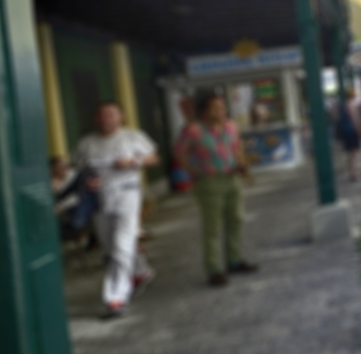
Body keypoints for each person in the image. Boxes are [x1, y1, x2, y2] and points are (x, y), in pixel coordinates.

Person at [72, 101, 159, 319]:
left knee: (121, 245)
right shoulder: (86, 143)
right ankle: (140, 271)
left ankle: (115, 298)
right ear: (96, 119)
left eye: (111, 114)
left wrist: (133, 161)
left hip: (127, 193)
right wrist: (86, 181)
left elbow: (153, 157)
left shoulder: (132, 136)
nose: (106, 118)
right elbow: (77, 169)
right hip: (99, 198)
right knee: (110, 245)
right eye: (101, 115)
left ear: (121, 116)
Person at [174, 92, 257, 287]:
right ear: (204, 111)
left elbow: (237, 148)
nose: (220, 111)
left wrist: (242, 164)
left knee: (235, 219)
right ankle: (213, 269)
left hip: (232, 177)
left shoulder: (231, 126)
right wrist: (193, 171)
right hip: (209, 181)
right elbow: (179, 153)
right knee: (213, 226)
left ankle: (234, 260)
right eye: (215, 108)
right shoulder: (193, 131)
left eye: (222, 107)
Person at [335, 88, 361, 180]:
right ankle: (355, 173)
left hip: (346, 131)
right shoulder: (352, 104)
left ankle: (352, 172)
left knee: (350, 153)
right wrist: (360, 129)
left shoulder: (343, 105)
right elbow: (355, 118)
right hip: (352, 131)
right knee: (355, 153)